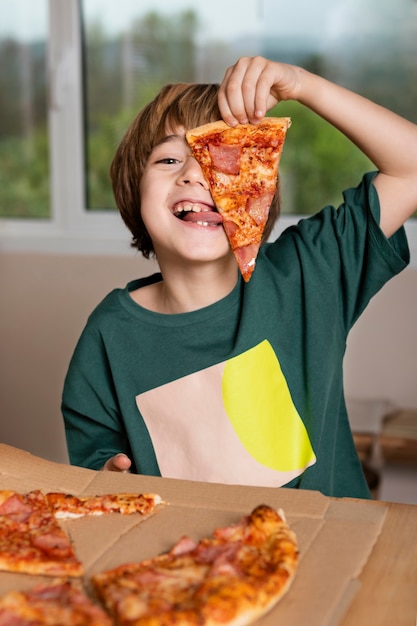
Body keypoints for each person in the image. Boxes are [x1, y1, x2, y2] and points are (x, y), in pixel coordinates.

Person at [62, 56, 417, 499]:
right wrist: (109, 479)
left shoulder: (309, 273)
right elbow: (97, 468)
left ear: (259, 195)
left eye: (225, 159)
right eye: (170, 158)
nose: (196, 173)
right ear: (134, 189)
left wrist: (304, 86)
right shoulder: (109, 335)